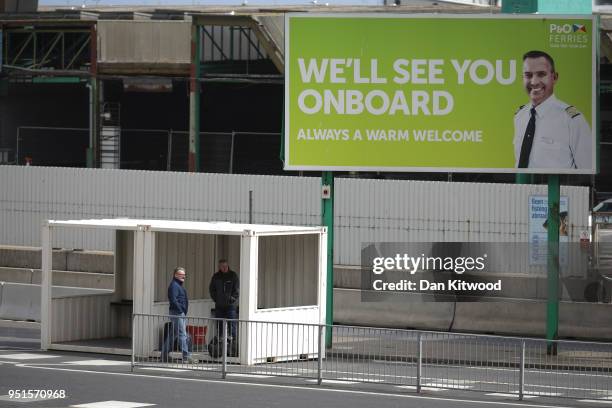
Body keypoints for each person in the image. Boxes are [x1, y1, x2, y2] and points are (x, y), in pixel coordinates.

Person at [513, 50, 592, 169]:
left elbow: (587, 169)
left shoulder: (572, 119)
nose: (534, 82)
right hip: (522, 187)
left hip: (556, 187)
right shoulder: (520, 116)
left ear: (554, 77)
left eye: (541, 74)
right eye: (528, 75)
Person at [161, 266, 196, 363]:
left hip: (179, 313)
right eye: (181, 275)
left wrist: (183, 311)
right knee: (182, 335)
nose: (183, 276)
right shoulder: (174, 286)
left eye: (184, 275)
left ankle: (164, 356)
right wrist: (181, 310)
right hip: (177, 313)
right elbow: (173, 300)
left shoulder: (178, 285)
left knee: (173, 335)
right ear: (175, 275)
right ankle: (186, 356)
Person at [209, 259, 239, 341]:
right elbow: (212, 289)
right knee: (219, 325)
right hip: (219, 306)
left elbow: (237, 290)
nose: (224, 268)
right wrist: (217, 299)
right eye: (222, 266)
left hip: (230, 306)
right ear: (219, 267)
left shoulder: (233, 275)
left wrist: (231, 299)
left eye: (226, 266)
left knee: (232, 325)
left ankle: (233, 344)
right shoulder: (216, 276)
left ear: (228, 265)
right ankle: (220, 342)